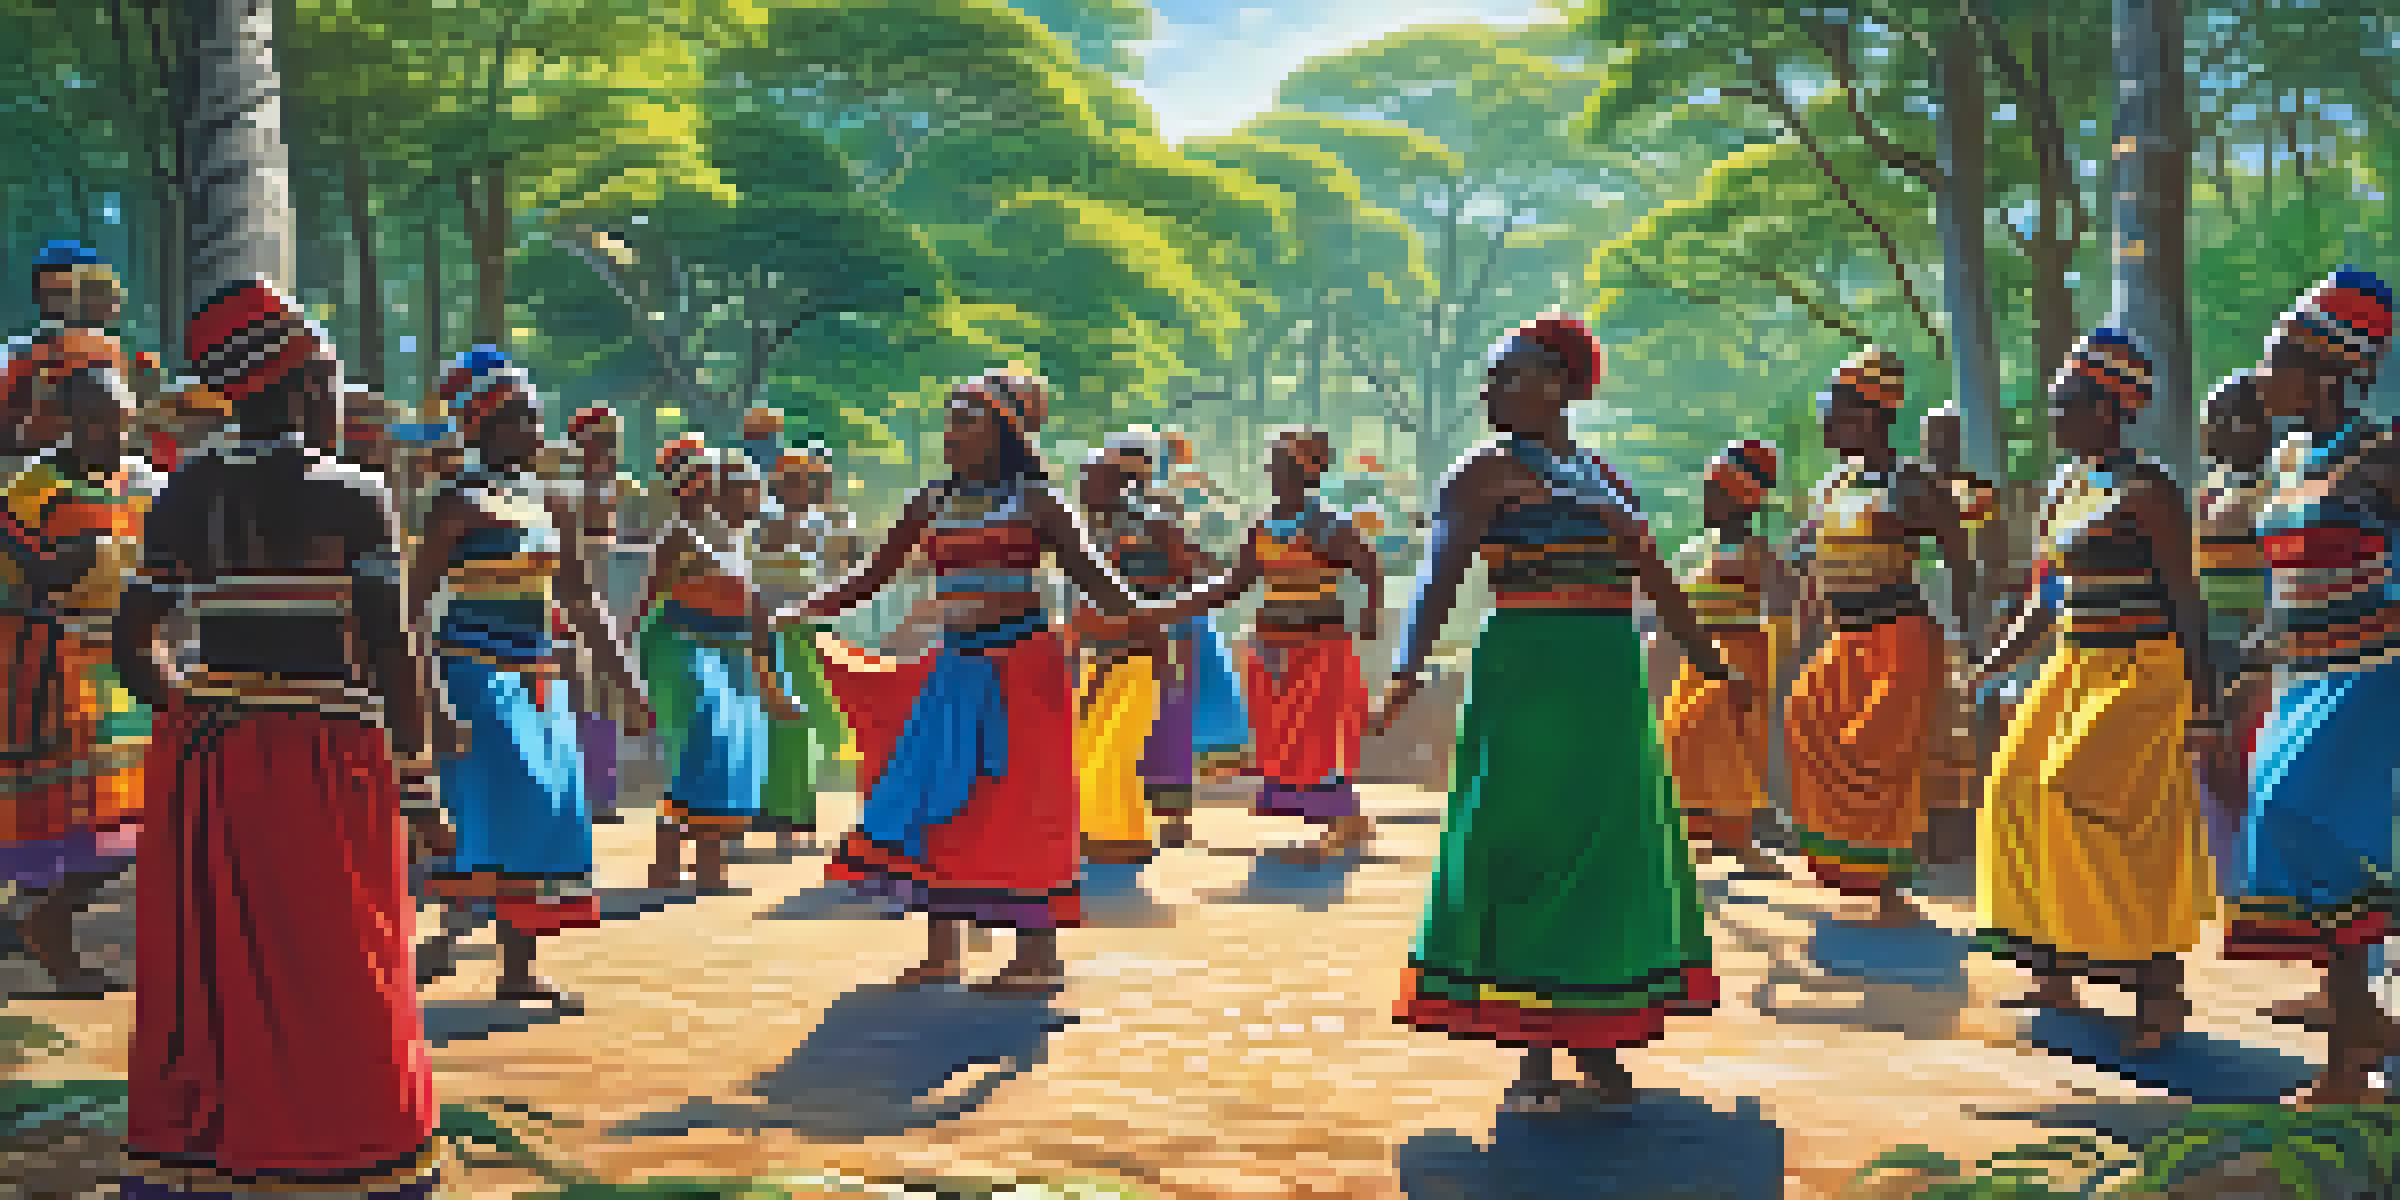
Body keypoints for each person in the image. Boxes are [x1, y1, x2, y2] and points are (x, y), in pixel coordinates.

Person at [116, 277, 444, 1199]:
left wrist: (184, 704)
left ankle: (217, 1136)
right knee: (338, 950)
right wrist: (415, 776)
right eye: (332, 378)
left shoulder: (182, 493)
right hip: (322, 748)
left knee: (223, 950)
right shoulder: (353, 493)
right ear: (301, 383)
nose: (340, 396)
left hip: (210, 749)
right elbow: (390, 641)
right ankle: (343, 1138)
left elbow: (132, 637)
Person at [1372, 314, 1736, 1111]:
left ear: (1565, 386)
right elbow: (1439, 578)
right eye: (1490, 375)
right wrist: (1405, 669)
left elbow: (1654, 575)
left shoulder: (1603, 475)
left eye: (1511, 375)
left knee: (1606, 853)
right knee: (1529, 845)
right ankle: (1535, 1043)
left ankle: (1597, 1035)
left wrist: (1708, 659)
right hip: (1529, 674)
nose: (1490, 389)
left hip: (1608, 682)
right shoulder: (1483, 471)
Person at [791, 368, 1146, 992]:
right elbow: (872, 577)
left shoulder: (1038, 502)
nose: (950, 434)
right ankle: (942, 952)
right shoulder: (931, 502)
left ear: (1004, 431)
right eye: (949, 421)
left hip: (1026, 669)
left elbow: (1094, 578)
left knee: (1026, 804)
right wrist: (806, 609)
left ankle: (1037, 955)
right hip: (955, 667)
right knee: (940, 801)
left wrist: (1156, 614)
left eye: (966, 422)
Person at [1964, 329, 2217, 1057]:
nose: (2053, 416)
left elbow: (2184, 600)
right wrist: (1992, 662)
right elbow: (2045, 598)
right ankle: (2053, 964)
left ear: (2109, 409)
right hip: (2074, 665)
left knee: (2081, 795)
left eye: (2065, 403)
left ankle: (2156, 987)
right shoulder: (2065, 489)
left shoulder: (2151, 491)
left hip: (2141, 671)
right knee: (2015, 785)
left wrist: (2205, 705)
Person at [411, 348, 651, 1007]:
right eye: (522, 419)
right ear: (482, 424)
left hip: (541, 677)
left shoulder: (552, 502)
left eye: (537, 418)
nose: (536, 431)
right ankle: (450, 931)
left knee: (545, 812)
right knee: (492, 808)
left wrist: (627, 683)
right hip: (474, 674)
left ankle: (516, 967)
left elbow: (580, 599)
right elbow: (409, 607)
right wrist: (431, 696)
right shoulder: (455, 504)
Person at [2225, 268, 2400, 1104]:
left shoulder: (2383, 454)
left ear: (2327, 370)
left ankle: (2352, 1055)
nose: (2262, 380)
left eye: (2277, 362)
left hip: (2374, 678)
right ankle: (2358, 1036)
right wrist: (2254, 656)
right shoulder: (2288, 459)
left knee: (2312, 823)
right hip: (2303, 678)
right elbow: (2286, 578)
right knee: (2298, 840)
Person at [1784, 347, 1977, 926]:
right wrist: (1804, 636)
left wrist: (1968, 644)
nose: (1822, 420)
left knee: (1881, 760)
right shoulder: (1829, 486)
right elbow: (1809, 568)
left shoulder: (1914, 483)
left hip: (1899, 640)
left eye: (1833, 409)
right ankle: (1847, 862)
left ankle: (1891, 883)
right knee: (1804, 720)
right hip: (1843, 641)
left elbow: (1961, 567)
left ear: (1869, 417)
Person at [0, 357, 161, 996]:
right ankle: (54, 940)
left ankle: (45, 921)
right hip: (54, 664)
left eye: (119, 423)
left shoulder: (146, 483)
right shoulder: (30, 493)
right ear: (67, 422)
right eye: (96, 422)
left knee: (137, 820)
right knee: (74, 820)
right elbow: (41, 573)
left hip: (130, 661)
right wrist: (88, 557)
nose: (111, 436)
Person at [641, 444, 792, 889]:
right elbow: (650, 603)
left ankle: (708, 865)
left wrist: (769, 680)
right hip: (686, 650)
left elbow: (754, 610)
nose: (752, 501)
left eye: (755, 492)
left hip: (734, 657)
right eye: (743, 491)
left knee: (733, 755)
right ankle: (670, 860)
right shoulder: (679, 537)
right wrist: (630, 666)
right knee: (704, 744)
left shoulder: (737, 541)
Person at [1658, 439, 1796, 880]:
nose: (1705, 500)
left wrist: (1774, 659)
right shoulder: (1699, 549)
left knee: (1728, 749)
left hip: (1739, 658)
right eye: (1705, 490)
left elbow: (1785, 603)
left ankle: (1740, 843)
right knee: (1686, 744)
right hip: (1698, 661)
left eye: (1714, 492)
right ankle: (1697, 839)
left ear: (1742, 499)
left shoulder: (1756, 553)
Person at [1068, 437, 1202, 867]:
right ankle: (1103, 836)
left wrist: (1159, 625)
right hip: (1098, 654)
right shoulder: (1086, 530)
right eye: (1083, 480)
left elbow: (1187, 573)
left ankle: (1121, 840)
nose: (1084, 488)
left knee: (1113, 752)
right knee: (1091, 750)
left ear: (1118, 484)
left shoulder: (1150, 523)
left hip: (1139, 653)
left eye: (1094, 480)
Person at [2190, 373, 2274, 887]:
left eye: (2225, 419)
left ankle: (2260, 876)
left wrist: (2260, 647)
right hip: (2208, 647)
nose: (2213, 430)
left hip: (2259, 646)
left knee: (2248, 757)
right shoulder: (2205, 492)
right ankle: (2230, 880)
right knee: (2212, 760)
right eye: (2211, 419)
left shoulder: (2276, 486)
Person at [751, 446, 856, 853]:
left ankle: (795, 819)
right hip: (769, 634)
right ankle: (777, 821)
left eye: (809, 480)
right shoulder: (766, 522)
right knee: (783, 725)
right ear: (778, 483)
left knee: (806, 726)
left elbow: (846, 562)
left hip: (805, 635)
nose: (803, 487)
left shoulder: (819, 521)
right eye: (794, 480)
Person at [566, 405, 634, 824]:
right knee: (577, 688)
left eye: (612, 440)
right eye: (599, 439)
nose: (607, 448)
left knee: (607, 691)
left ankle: (602, 793)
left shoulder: (622, 487)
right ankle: (579, 791)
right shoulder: (564, 488)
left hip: (610, 592)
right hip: (574, 596)